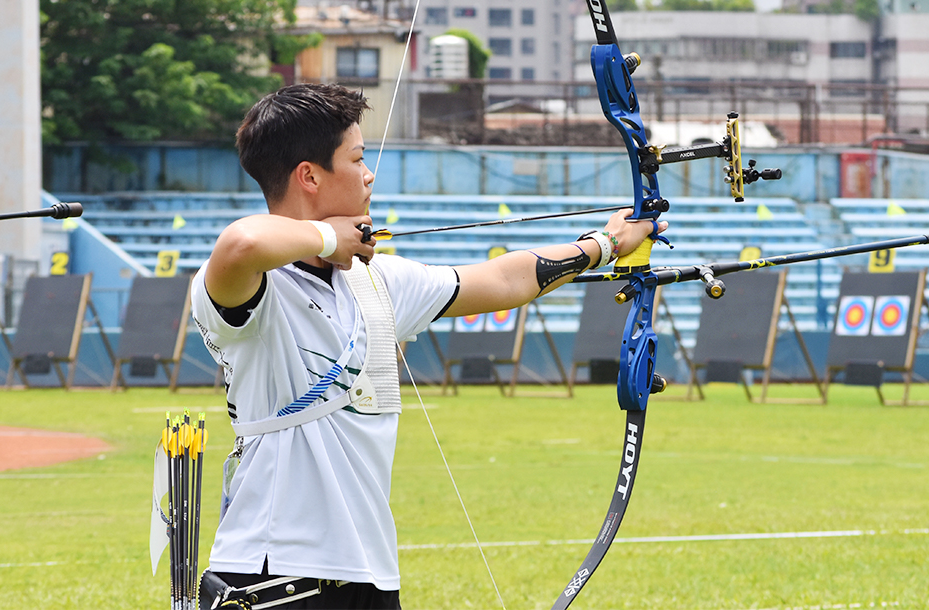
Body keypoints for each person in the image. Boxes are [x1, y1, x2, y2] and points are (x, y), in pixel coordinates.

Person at [190, 83, 665, 610]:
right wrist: (329, 238)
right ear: (309, 176)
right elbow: (242, 243)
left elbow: (503, 280)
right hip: (272, 576)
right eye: (357, 158)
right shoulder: (253, 291)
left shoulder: (377, 280)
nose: (369, 175)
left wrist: (603, 244)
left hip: (367, 573)